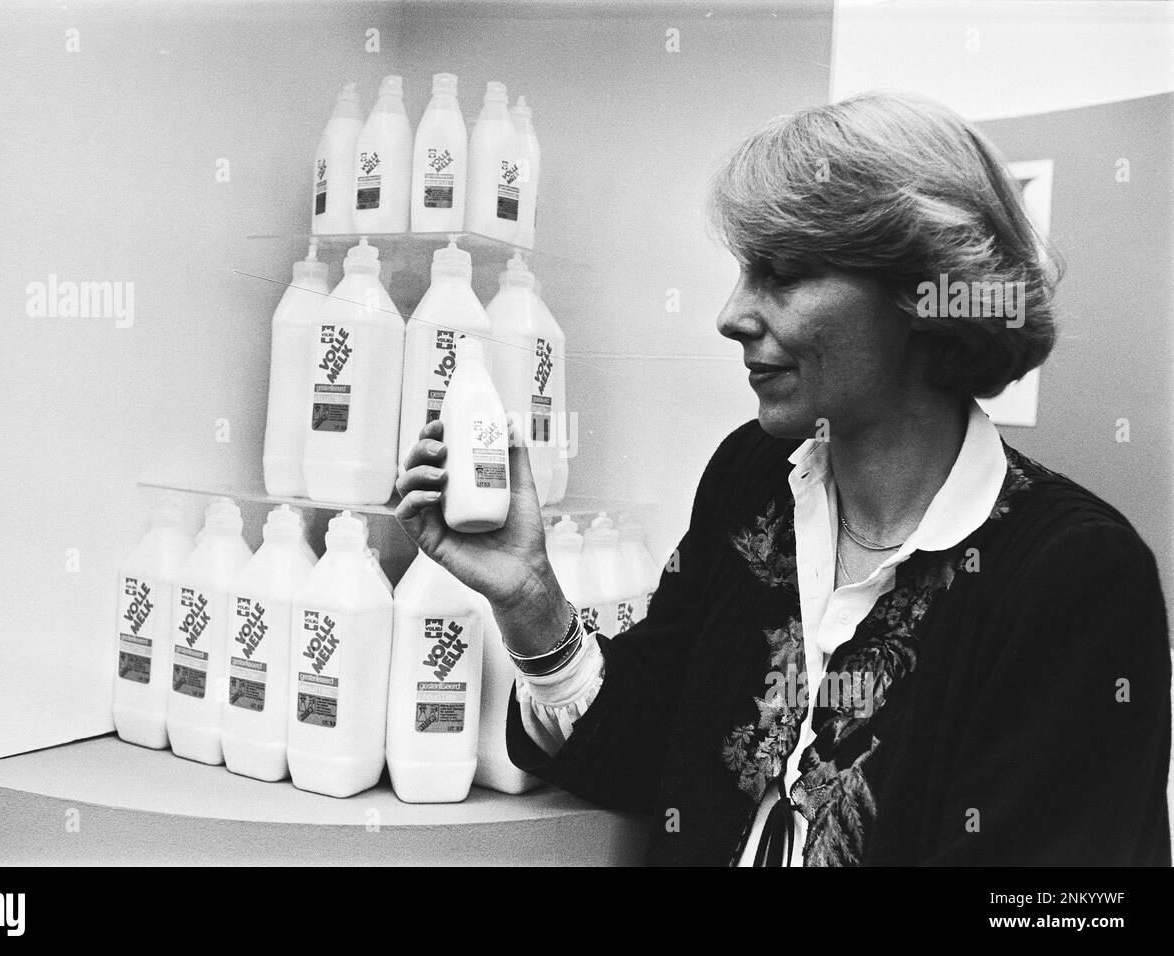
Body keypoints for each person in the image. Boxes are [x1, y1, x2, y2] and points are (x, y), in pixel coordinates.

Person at [394, 90, 1171, 866]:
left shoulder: (1074, 575)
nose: (732, 314)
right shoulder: (753, 479)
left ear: (926, 297)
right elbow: (644, 755)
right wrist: (532, 598)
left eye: (785, 274)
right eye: (744, 271)